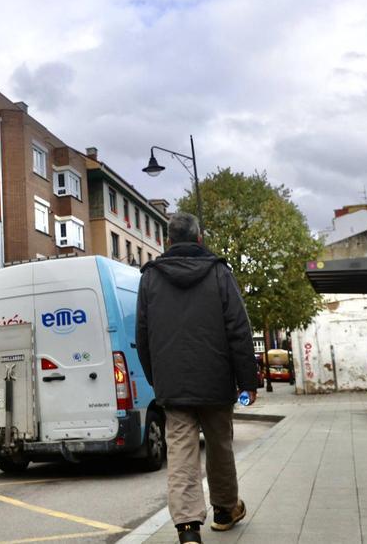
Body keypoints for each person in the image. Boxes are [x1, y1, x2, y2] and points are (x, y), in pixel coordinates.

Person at [137, 212, 260, 542]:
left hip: (173, 385)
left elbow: (143, 334)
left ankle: (188, 529)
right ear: (199, 240)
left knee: (180, 452)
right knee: (220, 446)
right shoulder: (219, 272)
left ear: (168, 241)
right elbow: (238, 329)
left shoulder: (150, 277)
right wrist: (248, 381)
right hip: (217, 381)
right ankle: (224, 509)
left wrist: (156, 379)